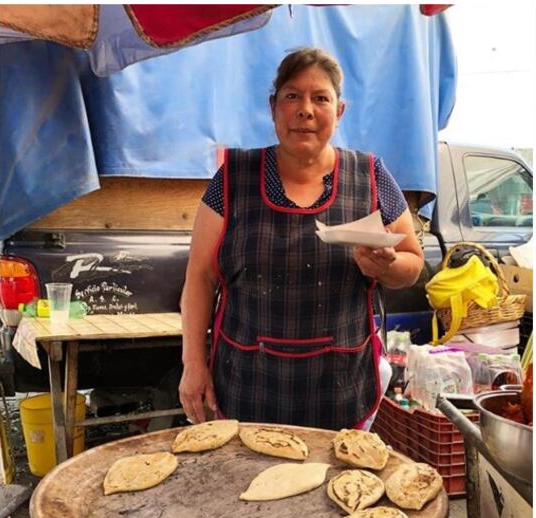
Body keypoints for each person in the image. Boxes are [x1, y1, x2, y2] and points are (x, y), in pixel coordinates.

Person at [179, 47, 424, 430]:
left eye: (320, 98)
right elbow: (199, 277)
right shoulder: (231, 178)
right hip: (246, 388)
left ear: (339, 111)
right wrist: (193, 363)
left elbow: (412, 262)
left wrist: (389, 266)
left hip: (341, 391)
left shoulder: (371, 176)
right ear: (273, 107)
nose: (305, 110)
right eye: (292, 96)